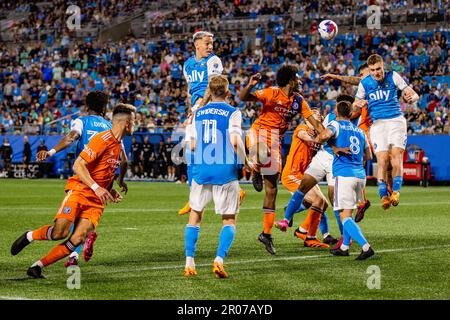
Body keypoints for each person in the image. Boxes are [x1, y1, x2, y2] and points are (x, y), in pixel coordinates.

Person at [11, 103, 137, 278]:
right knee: (59, 233)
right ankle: (30, 236)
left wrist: (110, 188)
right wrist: (96, 188)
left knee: (77, 239)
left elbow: (108, 169)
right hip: (80, 190)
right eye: (135, 121)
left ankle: (38, 266)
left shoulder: (118, 145)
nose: (136, 125)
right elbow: (78, 165)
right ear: (127, 123)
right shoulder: (103, 139)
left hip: (96, 201)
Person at [36, 91, 128, 267]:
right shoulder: (112, 126)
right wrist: (120, 181)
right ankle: (78, 250)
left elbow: (72, 137)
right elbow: (123, 160)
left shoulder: (81, 121)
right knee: (83, 220)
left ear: (87, 106)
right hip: (101, 182)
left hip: (83, 177)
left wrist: (51, 152)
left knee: (71, 218)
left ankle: (77, 249)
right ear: (104, 107)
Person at [239, 65, 324, 255]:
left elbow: (313, 121)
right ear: (290, 80)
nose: (301, 81)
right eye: (298, 78)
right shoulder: (271, 93)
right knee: (261, 153)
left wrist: (324, 134)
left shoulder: (298, 101)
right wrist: (250, 85)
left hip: (276, 140)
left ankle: (266, 234)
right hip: (259, 132)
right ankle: (255, 169)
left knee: (272, 189)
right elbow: (244, 98)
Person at [183, 75, 250, 278]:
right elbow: (236, 141)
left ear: (209, 92)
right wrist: (247, 162)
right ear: (228, 92)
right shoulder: (233, 112)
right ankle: (219, 260)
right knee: (229, 220)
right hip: (225, 172)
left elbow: (191, 146)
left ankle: (189, 263)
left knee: (195, 216)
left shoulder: (198, 113)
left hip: (201, 171)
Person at [354, 54, 419, 209]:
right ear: (369, 70)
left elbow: (413, 93)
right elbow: (355, 104)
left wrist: (413, 98)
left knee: (396, 156)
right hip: (377, 125)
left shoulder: (393, 76)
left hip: (396, 121)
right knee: (382, 160)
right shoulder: (364, 83)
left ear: (383, 66)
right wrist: (359, 103)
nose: (376, 73)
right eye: (373, 70)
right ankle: (383, 195)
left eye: (379, 69)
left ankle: (396, 191)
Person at [179, 31, 231, 215]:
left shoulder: (213, 61)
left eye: (211, 44)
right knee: (191, 153)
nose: (210, 47)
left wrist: (200, 107)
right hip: (196, 110)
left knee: (209, 152)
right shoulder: (187, 65)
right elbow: (189, 91)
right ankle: (193, 198)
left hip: (208, 108)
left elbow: (212, 85)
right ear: (196, 44)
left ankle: (231, 190)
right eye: (207, 43)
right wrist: (189, 112)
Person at [315, 100, 375, 260]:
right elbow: (369, 156)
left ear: (337, 112)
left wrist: (332, 146)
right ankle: (344, 247)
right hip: (360, 177)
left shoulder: (336, 125)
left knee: (344, 216)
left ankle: (365, 246)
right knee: (348, 212)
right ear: (350, 113)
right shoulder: (360, 131)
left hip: (345, 175)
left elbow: (323, 136)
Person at [276, 109, 337, 248]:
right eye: (316, 115)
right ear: (307, 119)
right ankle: (310, 236)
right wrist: (318, 139)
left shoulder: (318, 134)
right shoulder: (302, 128)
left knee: (323, 203)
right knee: (317, 200)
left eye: (320, 116)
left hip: (305, 174)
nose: (319, 117)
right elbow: (303, 135)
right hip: (292, 174)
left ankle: (303, 230)